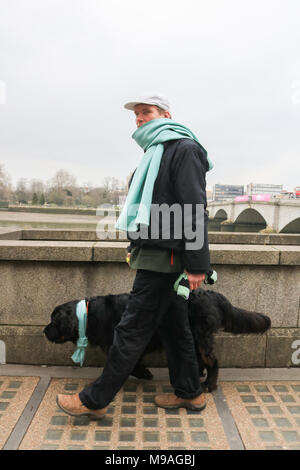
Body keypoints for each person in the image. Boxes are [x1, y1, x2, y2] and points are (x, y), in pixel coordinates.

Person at [56, 93, 212, 419]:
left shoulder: (183, 149)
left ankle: (94, 400)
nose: (140, 118)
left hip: (165, 259)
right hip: (154, 252)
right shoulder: (156, 151)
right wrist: (136, 242)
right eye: (137, 114)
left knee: (130, 329)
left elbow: (194, 210)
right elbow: (154, 211)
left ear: (165, 115)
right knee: (174, 327)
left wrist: (198, 265)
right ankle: (191, 394)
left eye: (147, 112)